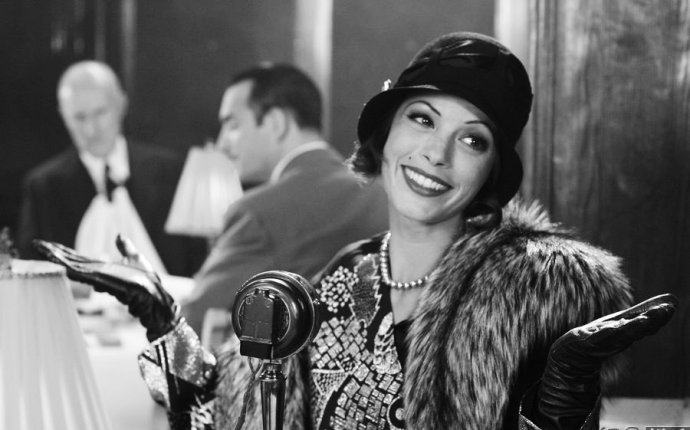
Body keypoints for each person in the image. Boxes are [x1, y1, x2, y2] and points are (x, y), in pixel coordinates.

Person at [37, 32, 677, 430]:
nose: (436, 153)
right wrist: (163, 320)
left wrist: (560, 417)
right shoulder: (345, 278)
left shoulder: (536, 300)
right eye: (422, 119)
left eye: (472, 140)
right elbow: (229, 415)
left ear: (489, 172)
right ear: (387, 133)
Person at [180, 64, 389, 333]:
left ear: (276, 123)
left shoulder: (256, 212)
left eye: (232, 125)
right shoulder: (383, 194)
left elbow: (193, 324)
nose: (222, 143)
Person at [17, 60, 204, 277]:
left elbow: (197, 257)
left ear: (121, 104)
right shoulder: (44, 187)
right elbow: (32, 268)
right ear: (63, 116)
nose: (91, 129)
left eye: (100, 113)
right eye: (79, 117)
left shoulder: (169, 171)